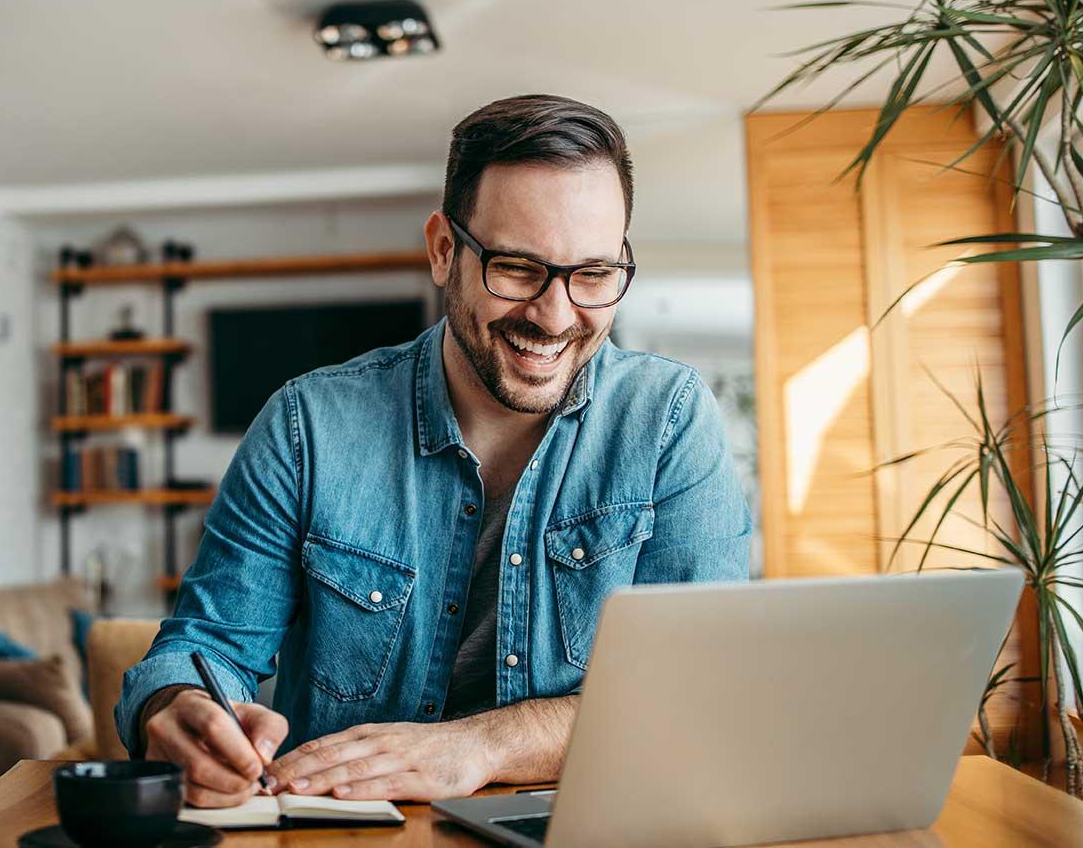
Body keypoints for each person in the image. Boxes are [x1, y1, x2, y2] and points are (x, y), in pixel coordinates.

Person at [115, 94, 751, 807]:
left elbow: (698, 692)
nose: (555, 314)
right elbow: (203, 647)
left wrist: (481, 746)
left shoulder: (668, 419)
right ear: (444, 250)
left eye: (595, 273)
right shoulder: (307, 426)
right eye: (517, 267)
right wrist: (173, 707)